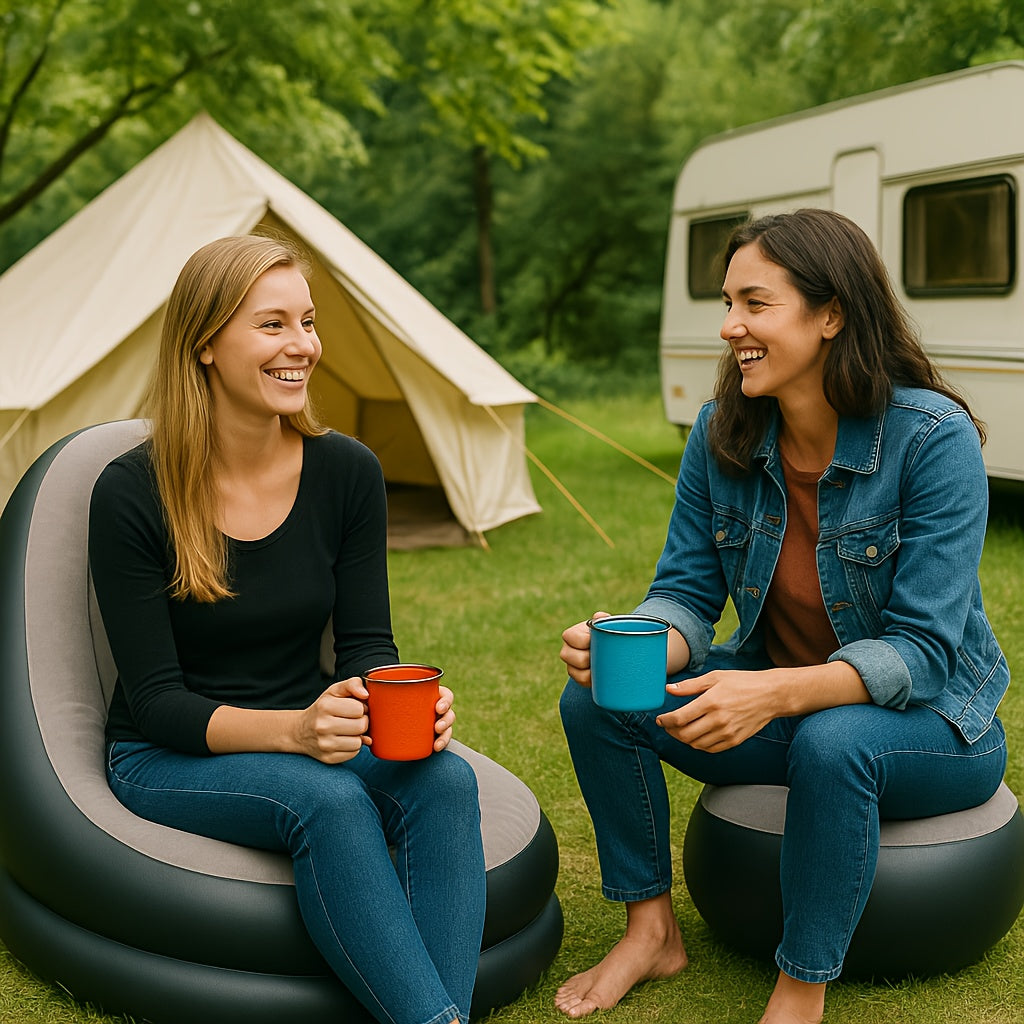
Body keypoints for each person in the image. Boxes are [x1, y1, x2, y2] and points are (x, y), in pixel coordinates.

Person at [556, 209, 1009, 1024]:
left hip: (937, 725)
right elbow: (686, 593)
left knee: (833, 741)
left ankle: (800, 990)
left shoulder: (931, 439)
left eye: (755, 304)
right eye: (728, 303)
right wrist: (635, 643)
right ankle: (651, 932)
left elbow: (922, 653)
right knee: (597, 697)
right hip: (782, 704)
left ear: (831, 314)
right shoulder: (721, 431)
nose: (730, 326)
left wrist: (772, 693)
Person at [88, 234, 486, 1024]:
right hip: (168, 753)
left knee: (447, 779)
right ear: (205, 343)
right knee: (327, 800)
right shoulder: (130, 493)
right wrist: (296, 732)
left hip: (304, 727)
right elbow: (158, 703)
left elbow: (366, 645)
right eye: (271, 325)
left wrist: (398, 704)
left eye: (307, 322)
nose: (302, 345)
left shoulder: (348, 472)